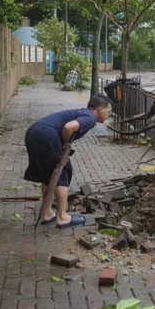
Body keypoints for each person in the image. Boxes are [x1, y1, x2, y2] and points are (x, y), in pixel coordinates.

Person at [24, 94, 113, 228]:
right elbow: (68, 127)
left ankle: (47, 213)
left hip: (33, 131)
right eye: (108, 111)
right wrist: (66, 144)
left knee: (47, 174)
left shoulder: (82, 113)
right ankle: (62, 217)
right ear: (100, 109)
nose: (108, 115)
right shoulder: (90, 118)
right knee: (63, 171)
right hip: (47, 135)